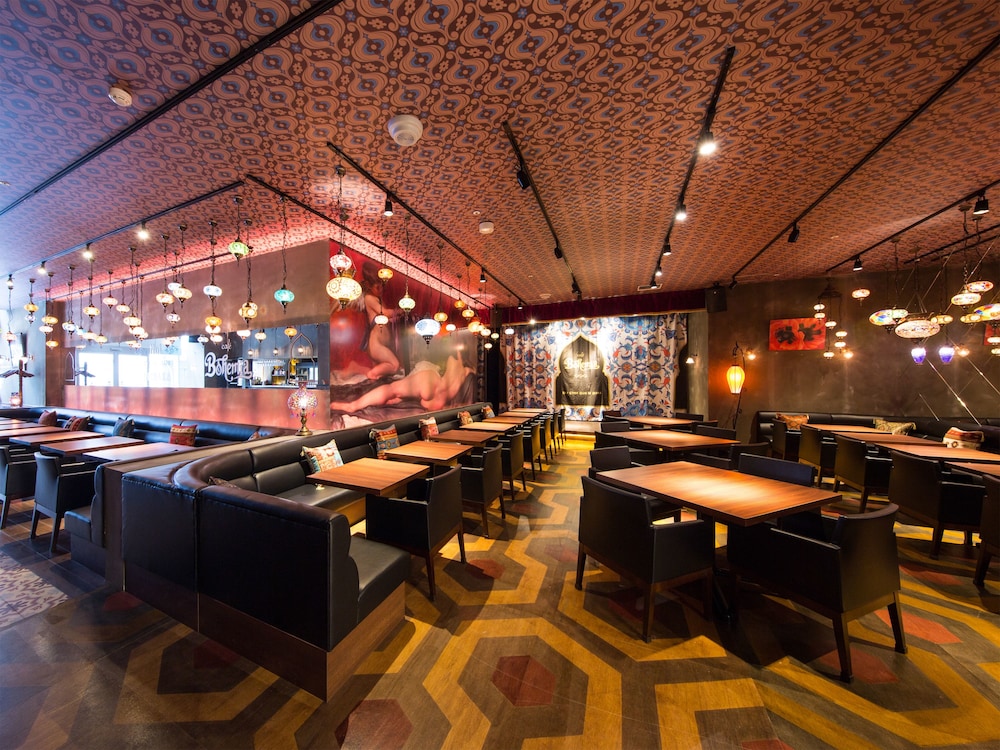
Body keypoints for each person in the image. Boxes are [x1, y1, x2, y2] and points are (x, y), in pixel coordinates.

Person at [330, 353, 474, 413]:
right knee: (397, 394)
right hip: (440, 400)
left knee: (392, 388)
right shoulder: (468, 372)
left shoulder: (454, 358)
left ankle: (353, 405)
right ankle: (400, 397)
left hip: (431, 381)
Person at [359, 261, 400, 380]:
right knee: (394, 365)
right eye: (378, 287)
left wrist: (395, 318)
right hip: (376, 344)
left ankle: (371, 376)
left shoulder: (377, 299)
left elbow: (386, 318)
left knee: (382, 374)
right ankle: (371, 375)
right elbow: (385, 313)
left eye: (382, 285)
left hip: (381, 343)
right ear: (368, 285)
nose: (381, 289)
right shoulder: (369, 298)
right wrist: (399, 310)